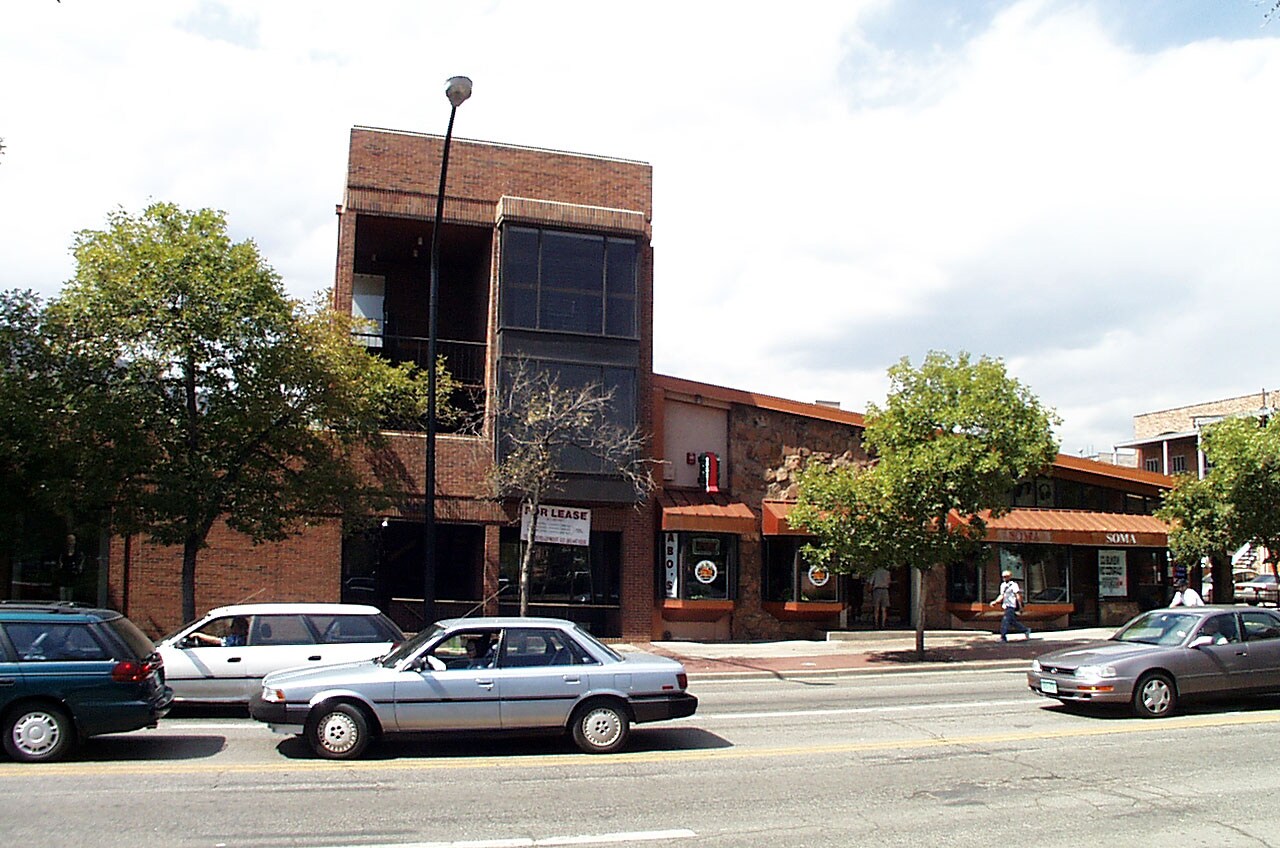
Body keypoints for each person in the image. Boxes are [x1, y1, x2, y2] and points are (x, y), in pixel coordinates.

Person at [991, 569, 1032, 642]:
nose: (1004, 578)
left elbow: (1018, 595)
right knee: (1012, 621)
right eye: (1003, 576)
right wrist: (996, 602)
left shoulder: (1014, 585)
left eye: (1006, 576)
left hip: (1011, 606)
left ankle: (1003, 637)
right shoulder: (1003, 585)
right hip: (1006, 606)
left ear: (1010, 576)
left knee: (1005, 620)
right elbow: (1002, 595)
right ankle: (1025, 629)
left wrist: (1020, 606)